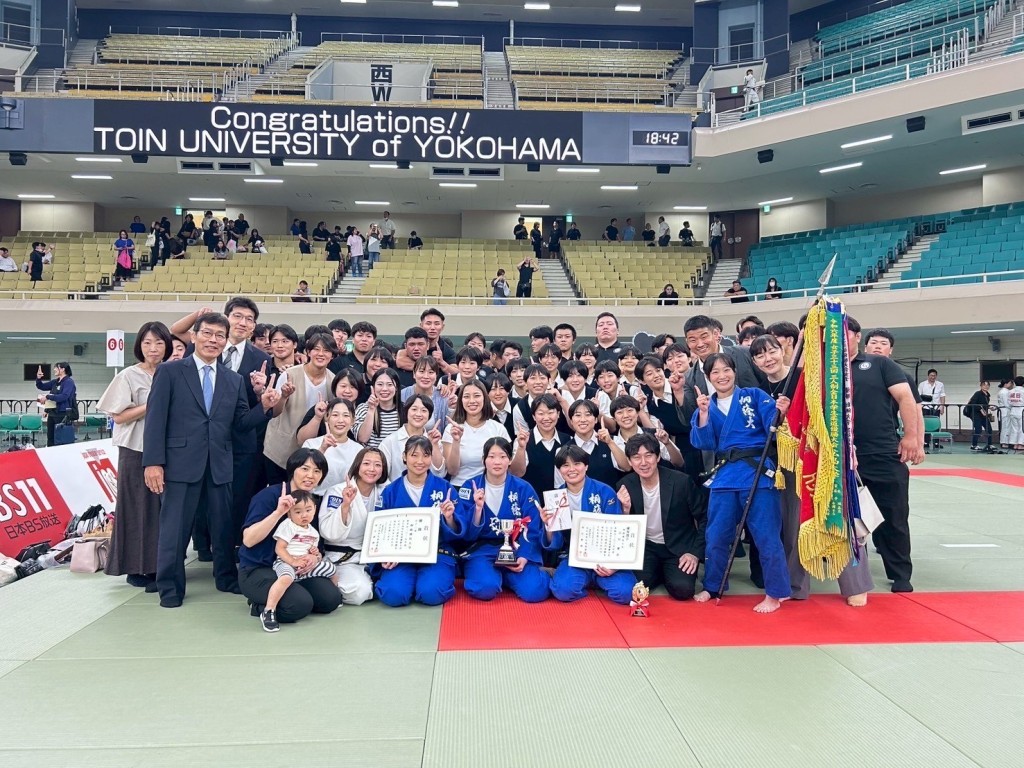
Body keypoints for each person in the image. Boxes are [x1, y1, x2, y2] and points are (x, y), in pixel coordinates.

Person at [143, 312, 281, 608]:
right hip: (179, 464)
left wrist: (263, 407)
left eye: (220, 335)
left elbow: (241, 423)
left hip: (219, 464)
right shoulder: (170, 372)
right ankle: (170, 587)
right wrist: (153, 463)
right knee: (175, 529)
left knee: (223, 527)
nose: (213, 340)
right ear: (194, 336)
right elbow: (155, 420)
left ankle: (226, 578)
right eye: (207, 333)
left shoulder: (233, 380)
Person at [749, 334, 872, 605]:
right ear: (755, 362)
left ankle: (856, 584)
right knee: (794, 525)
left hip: (821, 456)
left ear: (784, 350)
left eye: (772, 351)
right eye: (760, 355)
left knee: (838, 516)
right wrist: (781, 416)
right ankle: (796, 584)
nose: (767, 358)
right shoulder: (758, 391)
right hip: (787, 465)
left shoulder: (807, 377)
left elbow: (835, 413)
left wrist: (847, 447)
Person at [690, 353, 791, 613]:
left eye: (726, 370)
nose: (721, 376)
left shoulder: (754, 395)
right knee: (716, 534)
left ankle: (776, 593)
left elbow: (773, 427)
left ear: (735, 372)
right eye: (715, 372)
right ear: (708, 378)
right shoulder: (707, 405)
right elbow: (703, 443)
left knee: (766, 535)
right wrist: (703, 414)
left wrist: (780, 412)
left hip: (757, 473)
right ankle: (714, 586)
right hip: (725, 476)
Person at [847, 317, 923, 593]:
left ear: (857, 336)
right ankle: (854, 575)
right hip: (844, 456)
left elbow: (906, 399)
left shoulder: (880, 365)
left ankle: (900, 573)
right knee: (850, 519)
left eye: (846, 333)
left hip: (882, 452)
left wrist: (912, 437)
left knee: (893, 515)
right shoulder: (829, 370)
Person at [97, 321, 173, 592]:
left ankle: (158, 565)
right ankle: (135, 567)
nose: (153, 349)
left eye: (159, 343)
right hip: (135, 449)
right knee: (135, 507)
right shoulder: (128, 376)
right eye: (147, 343)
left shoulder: (172, 372)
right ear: (139, 346)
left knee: (160, 511)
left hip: (167, 450)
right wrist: (152, 403)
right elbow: (118, 416)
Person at [239, 448, 341, 625]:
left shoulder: (312, 503)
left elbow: (316, 546)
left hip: (296, 570)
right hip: (258, 569)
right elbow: (248, 540)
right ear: (293, 469)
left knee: (330, 599)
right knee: (298, 605)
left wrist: (314, 557)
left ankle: (292, 594)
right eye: (305, 468)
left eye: (317, 471)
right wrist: (278, 512)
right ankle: (259, 605)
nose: (310, 475)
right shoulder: (269, 496)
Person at [616, 433, 706, 600]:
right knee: (635, 587)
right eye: (636, 457)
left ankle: (667, 572)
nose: (643, 462)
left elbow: (705, 518)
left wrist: (694, 553)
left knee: (683, 590)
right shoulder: (625, 485)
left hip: (678, 547)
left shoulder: (681, 482)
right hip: (646, 548)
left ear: (657, 457)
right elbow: (623, 530)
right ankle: (658, 572)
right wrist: (625, 510)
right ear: (629, 461)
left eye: (648, 455)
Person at [375, 436, 463, 607]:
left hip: (437, 552)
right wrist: (385, 554)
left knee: (431, 593)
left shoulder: (445, 488)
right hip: (400, 556)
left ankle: (426, 583)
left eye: (426, 455)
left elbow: (458, 530)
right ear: (404, 456)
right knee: (393, 595)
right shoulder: (390, 491)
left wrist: (449, 517)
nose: (420, 461)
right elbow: (380, 529)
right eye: (414, 455)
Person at [460, 437, 551, 602]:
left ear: (509, 460)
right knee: (485, 589)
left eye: (502, 456)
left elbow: (533, 527)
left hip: (516, 549)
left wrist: (524, 556)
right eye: (491, 456)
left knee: (535, 591)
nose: (497, 462)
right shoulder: (470, 487)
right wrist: (478, 509)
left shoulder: (524, 488)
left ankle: (513, 576)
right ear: (483, 460)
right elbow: (464, 531)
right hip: (482, 550)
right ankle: (495, 576)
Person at [546, 445, 635, 604]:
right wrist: (548, 525)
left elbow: (617, 532)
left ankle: (595, 580)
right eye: (565, 465)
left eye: (577, 464)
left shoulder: (605, 492)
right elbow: (556, 543)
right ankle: (584, 580)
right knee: (563, 591)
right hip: (575, 558)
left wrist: (613, 566)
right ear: (559, 470)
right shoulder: (556, 497)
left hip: (605, 558)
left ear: (586, 466)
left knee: (627, 593)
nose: (571, 469)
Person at [260, 489, 339, 632]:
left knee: (332, 569)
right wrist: (292, 561)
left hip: (305, 568)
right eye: (298, 512)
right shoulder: (288, 525)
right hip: (286, 563)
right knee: (286, 577)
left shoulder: (313, 532)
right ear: (289, 513)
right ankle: (269, 610)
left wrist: (315, 555)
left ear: (315, 509)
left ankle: (336, 593)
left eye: (308, 510)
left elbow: (314, 553)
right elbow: (279, 548)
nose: (304, 515)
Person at [319, 446, 389, 604]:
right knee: (360, 592)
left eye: (378, 465)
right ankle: (329, 581)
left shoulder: (385, 491)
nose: (372, 469)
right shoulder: (337, 491)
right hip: (344, 558)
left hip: (374, 557)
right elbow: (328, 532)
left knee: (395, 585)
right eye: (366, 463)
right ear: (357, 465)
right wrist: (345, 506)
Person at [264, 331, 335, 484]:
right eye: (316, 349)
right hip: (280, 448)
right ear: (308, 352)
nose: (321, 354)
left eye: (326, 350)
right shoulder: (289, 375)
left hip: (312, 450)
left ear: (332, 355)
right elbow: (274, 412)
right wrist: (283, 396)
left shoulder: (333, 381)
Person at [443, 379, 508, 488]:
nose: (472, 401)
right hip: (460, 487)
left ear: (485, 398)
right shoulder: (451, 429)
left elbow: (506, 464)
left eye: (477, 396)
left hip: (491, 487)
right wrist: (456, 441)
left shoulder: (498, 428)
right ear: (461, 400)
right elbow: (452, 470)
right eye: (466, 396)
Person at [379, 393, 445, 482]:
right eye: (414, 409)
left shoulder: (435, 440)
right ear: (406, 412)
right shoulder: (389, 442)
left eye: (424, 410)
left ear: (429, 416)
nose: (418, 414)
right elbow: (382, 477)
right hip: (397, 490)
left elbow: (440, 474)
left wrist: (434, 445)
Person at [302, 397, 363, 490]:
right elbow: (302, 473)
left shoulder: (359, 450)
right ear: (327, 418)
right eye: (335, 415)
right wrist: (322, 449)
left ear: (353, 421)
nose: (340, 420)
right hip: (314, 496)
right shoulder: (311, 444)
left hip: (344, 496)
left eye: (346, 415)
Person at [355, 368, 404, 449]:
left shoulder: (405, 409)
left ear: (396, 388)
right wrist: (371, 410)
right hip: (371, 455)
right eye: (380, 384)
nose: (384, 389)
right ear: (373, 387)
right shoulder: (362, 409)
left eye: (390, 384)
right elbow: (363, 438)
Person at [35, 361, 76, 447]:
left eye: (56, 367)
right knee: (50, 437)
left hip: (63, 414)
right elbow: (41, 386)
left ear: (62, 369)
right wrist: (38, 378)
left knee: (61, 438)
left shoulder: (69, 382)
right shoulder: (55, 382)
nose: (54, 369)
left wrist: (48, 396)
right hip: (52, 413)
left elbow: (64, 396)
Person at [966, 381, 993, 451]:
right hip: (976, 414)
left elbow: (984, 404)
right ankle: (974, 445)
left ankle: (989, 444)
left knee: (989, 429)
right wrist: (980, 409)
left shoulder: (987, 395)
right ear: (981, 386)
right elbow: (973, 403)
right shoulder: (977, 393)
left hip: (983, 414)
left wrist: (989, 407)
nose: (986, 386)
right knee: (978, 429)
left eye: (987, 385)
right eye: (984, 385)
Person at [997, 378, 1013, 448]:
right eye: (1010, 383)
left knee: (1004, 426)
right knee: (1006, 427)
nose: (1011, 384)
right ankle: (1005, 442)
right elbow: (1007, 403)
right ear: (1006, 384)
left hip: (1002, 410)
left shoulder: (1001, 391)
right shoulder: (1005, 392)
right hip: (1005, 410)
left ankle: (1004, 442)